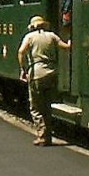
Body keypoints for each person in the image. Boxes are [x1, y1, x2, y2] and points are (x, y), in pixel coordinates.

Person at [16, 15, 71, 146]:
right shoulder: (52, 36)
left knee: (36, 107)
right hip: (51, 73)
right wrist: (70, 39)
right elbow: (66, 47)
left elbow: (21, 52)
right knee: (47, 106)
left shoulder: (29, 37)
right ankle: (49, 135)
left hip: (37, 73)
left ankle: (42, 136)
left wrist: (23, 69)